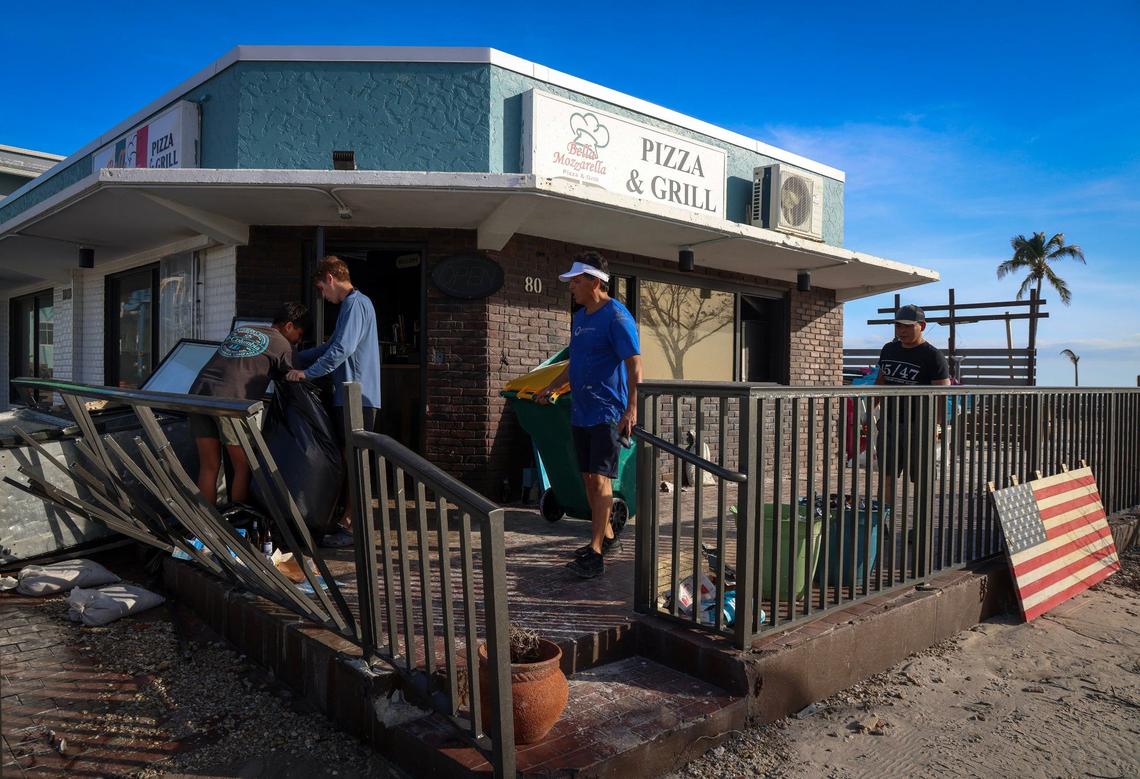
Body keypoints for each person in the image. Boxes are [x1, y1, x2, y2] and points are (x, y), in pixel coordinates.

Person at [534, 251, 642, 579]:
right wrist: (552, 388)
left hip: (608, 412)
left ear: (595, 282)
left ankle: (595, 553)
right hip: (581, 411)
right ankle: (606, 537)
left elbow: (634, 365)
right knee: (586, 478)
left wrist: (632, 408)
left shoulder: (617, 316)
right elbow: (575, 363)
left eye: (576, 281)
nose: (571, 287)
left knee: (599, 479)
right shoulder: (580, 318)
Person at [286, 256, 381, 547]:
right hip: (350, 395)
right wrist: (293, 357)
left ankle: (351, 526)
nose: (323, 296)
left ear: (330, 278)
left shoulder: (356, 304)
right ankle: (344, 520)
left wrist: (306, 373)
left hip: (357, 397)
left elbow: (342, 349)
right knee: (346, 458)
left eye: (321, 289)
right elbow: (330, 346)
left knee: (353, 461)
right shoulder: (352, 306)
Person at [189, 302, 309, 507]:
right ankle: (241, 520)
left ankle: (203, 523)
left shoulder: (243, 330)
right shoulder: (283, 345)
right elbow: (298, 378)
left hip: (198, 395)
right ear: (289, 326)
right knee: (244, 465)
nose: (298, 342)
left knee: (209, 465)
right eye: (299, 335)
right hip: (230, 401)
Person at [875, 304, 951, 508]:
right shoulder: (888, 349)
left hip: (920, 425)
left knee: (921, 478)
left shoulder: (933, 355)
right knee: (886, 475)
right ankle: (883, 521)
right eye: (898, 326)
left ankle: (920, 523)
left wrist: (937, 425)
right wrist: (869, 414)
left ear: (922, 326)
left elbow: (942, 394)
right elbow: (880, 382)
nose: (902, 331)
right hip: (889, 423)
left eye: (908, 326)